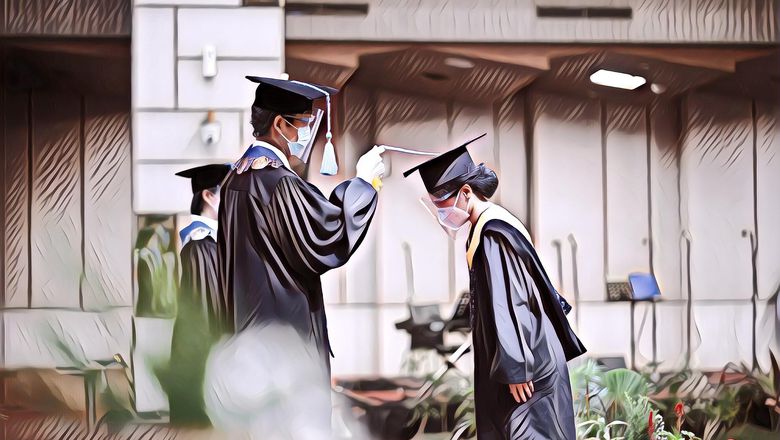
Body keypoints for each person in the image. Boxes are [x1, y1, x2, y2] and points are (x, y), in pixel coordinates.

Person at [209, 76, 385, 437]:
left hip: (246, 334)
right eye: (304, 124)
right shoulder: (277, 182)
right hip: (283, 337)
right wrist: (364, 184)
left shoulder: (234, 180)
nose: (309, 133)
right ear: (279, 125)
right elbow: (327, 232)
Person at [403, 134, 586, 440]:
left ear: (465, 192)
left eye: (442, 202)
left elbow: (511, 301)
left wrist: (516, 368)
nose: (440, 212)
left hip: (528, 365)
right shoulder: (487, 225)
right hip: (523, 357)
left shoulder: (492, 234)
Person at [167, 163, 231, 426]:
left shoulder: (210, 243)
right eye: (228, 193)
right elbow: (206, 315)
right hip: (202, 362)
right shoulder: (200, 246)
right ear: (208, 195)